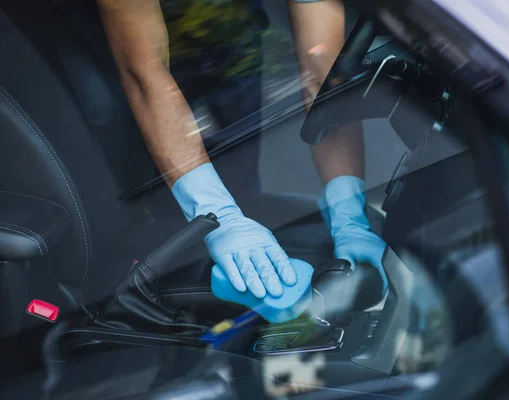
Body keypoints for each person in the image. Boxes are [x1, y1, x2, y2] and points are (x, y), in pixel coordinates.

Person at [97, 0, 387, 303]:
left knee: (241, 186)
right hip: (163, 81)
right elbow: (143, 69)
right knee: (170, 218)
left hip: (237, 56)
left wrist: (349, 214)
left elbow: (326, 71)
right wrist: (215, 212)